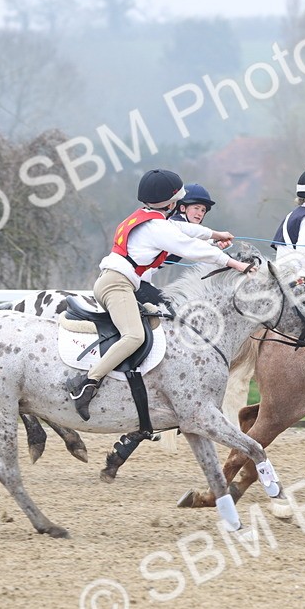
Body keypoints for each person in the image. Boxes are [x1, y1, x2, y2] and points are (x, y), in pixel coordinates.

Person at [67, 169, 252, 420]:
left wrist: (215, 235)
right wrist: (234, 264)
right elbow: (188, 246)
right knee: (134, 336)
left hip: (116, 282)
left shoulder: (148, 218)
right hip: (118, 285)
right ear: (173, 202)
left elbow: (185, 230)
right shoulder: (157, 227)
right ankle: (86, 383)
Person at [164, 182, 228, 266]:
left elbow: (195, 237)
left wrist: (215, 241)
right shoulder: (175, 223)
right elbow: (192, 234)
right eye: (196, 208)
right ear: (182, 208)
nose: (200, 213)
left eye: (203, 210)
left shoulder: (190, 232)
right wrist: (218, 236)